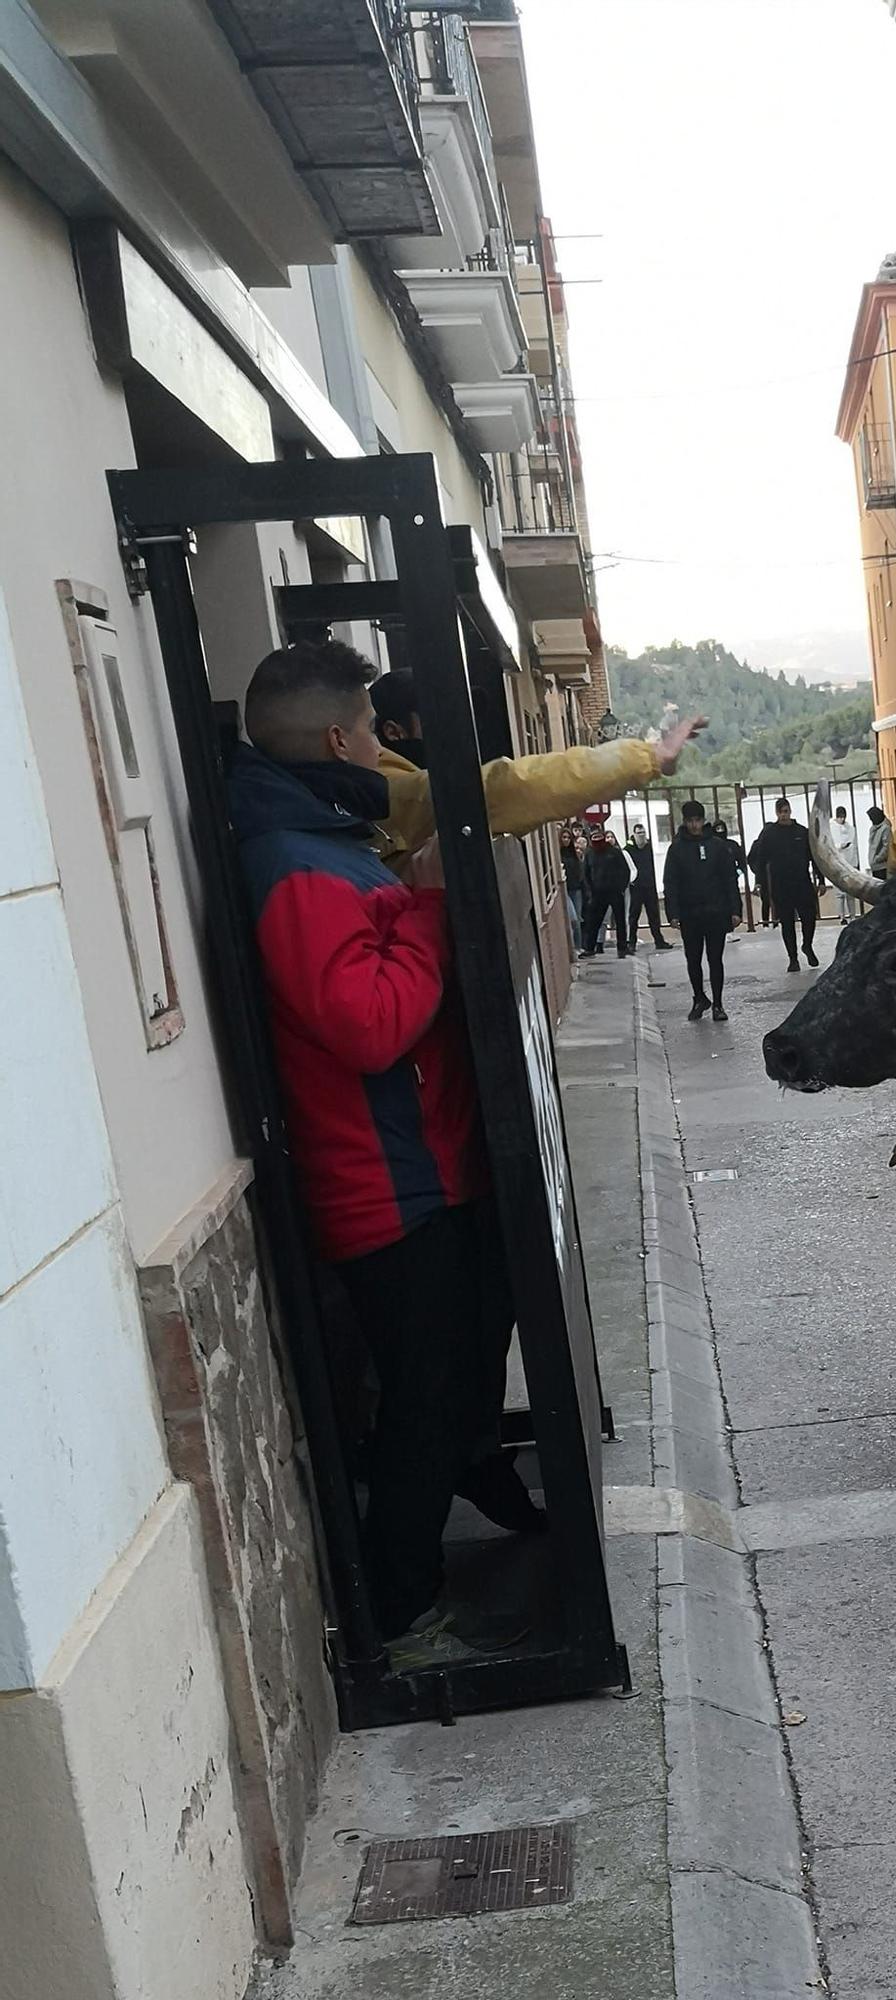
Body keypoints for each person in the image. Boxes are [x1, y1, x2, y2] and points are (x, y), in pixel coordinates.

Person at [225, 640, 537, 1669]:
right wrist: (431, 907)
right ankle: (402, 1618)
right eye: (367, 727)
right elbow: (367, 1026)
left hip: (416, 1175)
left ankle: (418, 1581)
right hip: (385, 1189)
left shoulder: (316, 836)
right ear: (335, 737)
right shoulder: (298, 865)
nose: (377, 743)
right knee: (420, 1407)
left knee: (439, 1394)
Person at [361, 666, 705, 876]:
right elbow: (512, 787)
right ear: (394, 732)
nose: (455, 728)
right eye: (439, 717)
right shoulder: (389, 792)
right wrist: (645, 758)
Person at [663, 800, 744, 1021]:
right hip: (690, 914)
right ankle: (699, 997)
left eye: (698, 821)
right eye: (690, 821)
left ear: (703, 820)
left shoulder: (717, 846)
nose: (695, 826)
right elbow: (670, 883)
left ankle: (718, 1004)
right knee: (693, 959)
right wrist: (673, 913)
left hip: (716, 911)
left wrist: (735, 909)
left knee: (715, 958)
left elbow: (730, 879)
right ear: (685, 822)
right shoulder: (676, 849)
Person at [749, 797, 820, 972]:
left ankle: (807, 945)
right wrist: (758, 882)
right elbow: (760, 859)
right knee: (787, 922)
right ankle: (793, 958)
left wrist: (821, 880)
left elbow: (815, 858)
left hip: (802, 882)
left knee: (809, 917)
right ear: (776, 813)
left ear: (790, 811)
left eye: (786, 811)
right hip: (781, 885)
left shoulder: (802, 832)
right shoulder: (769, 834)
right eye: (780, 812)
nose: (784, 815)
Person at [581, 827, 632, 957]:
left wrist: (621, 888)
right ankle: (590, 948)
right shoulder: (589, 853)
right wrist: (591, 892)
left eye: (599, 837)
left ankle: (622, 948)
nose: (597, 840)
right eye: (594, 837)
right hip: (597, 893)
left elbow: (625, 871)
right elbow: (585, 874)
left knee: (620, 921)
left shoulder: (614, 852)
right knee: (594, 921)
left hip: (615, 892)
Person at [625, 823, 674, 950]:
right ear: (634, 834)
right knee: (633, 916)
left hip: (649, 886)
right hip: (635, 887)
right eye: (639, 833)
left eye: (643, 833)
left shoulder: (648, 846)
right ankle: (631, 942)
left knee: (654, 915)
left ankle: (659, 940)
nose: (641, 836)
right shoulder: (628, 849)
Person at [827, 805, 860, 922]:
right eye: (840, 817)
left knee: (850, 892)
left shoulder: (851, 829)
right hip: (837, 864)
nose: (842, 819)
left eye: (843, 817)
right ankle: (841, 916)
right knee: (839, 893)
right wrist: (839, 846)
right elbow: (829, 846)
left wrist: (855, 864)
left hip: (849, 863)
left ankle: (852, 915)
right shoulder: (831, 828)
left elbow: (854, 846)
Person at [558, 826, 585, 953]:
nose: (566, 840)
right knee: (572, 918)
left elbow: (580, 871)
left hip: (576, 889)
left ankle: (578, 947)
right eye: (564, 837)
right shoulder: (557, 854)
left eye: (568, 837)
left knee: (577, 919)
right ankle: (573, 947)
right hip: (565, 889)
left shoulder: (574, 854)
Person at [866, 803, 891, 874]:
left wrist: (878, 858)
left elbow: (887, 847)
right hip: (875, 866)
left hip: (882, 866)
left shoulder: (885, 828)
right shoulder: (873, 828)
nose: (871, 820)